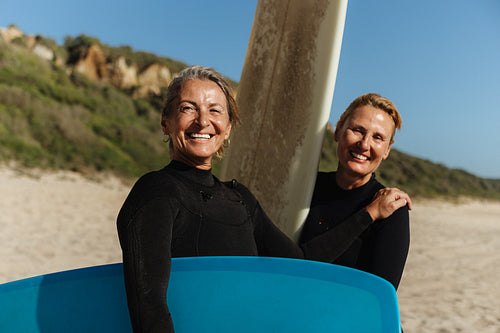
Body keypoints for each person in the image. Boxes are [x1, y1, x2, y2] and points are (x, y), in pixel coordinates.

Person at [117, 67, 411, 332]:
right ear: (166, 122)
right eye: (187, 108)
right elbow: (148, 304)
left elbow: (301, 264)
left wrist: (368, 214)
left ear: (229, 127)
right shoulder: (156, 191)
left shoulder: (240, 199)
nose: (203, 121)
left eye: (215, 111)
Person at [300, 93, 411, 290]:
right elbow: (290, 261)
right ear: (337, 132)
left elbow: (379, 292)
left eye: (378, 137)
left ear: (386, 150)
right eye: (357, 130)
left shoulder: (391, 209)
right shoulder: (304, 187)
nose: (364, 144)